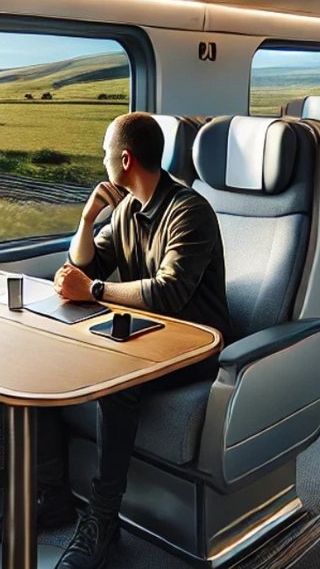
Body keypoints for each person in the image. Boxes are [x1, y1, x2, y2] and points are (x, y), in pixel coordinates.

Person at [50, 112, 232, 569]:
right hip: (148, 341)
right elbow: (88, 266)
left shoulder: (190, 211)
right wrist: (89, 218)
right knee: (52, 362)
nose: (102, 159)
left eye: (106, 152)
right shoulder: (127, 209)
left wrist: (91, 291)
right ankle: (52, 493)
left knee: (118, 382)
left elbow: (168, 293)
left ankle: (103, 519)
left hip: (196, 347)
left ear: (125, 158)